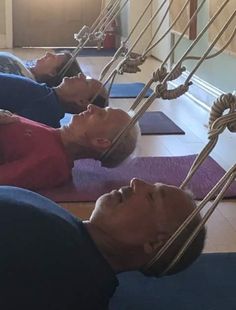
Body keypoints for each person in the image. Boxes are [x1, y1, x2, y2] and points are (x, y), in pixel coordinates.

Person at [0, 179, 206, 310]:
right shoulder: (72, 236)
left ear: (153, 243)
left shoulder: (71, 284)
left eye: (151, 196)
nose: (136, 182)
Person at [0, 104, 140, 190]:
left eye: (101, 114)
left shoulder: (54, 162)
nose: (91, 106)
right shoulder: (52, 133)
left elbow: (5, 180)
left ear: (101, 141)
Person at [0, 72, 108, 128]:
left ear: (82, 101)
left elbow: (11, 125)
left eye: (87, 82)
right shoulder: (47, 96)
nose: (81, 75)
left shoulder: (47, 107)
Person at [0, 50, 82, 86]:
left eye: (53, 57)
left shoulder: (23, 80)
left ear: (52, 73)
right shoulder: (27, 68)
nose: (48, 54)